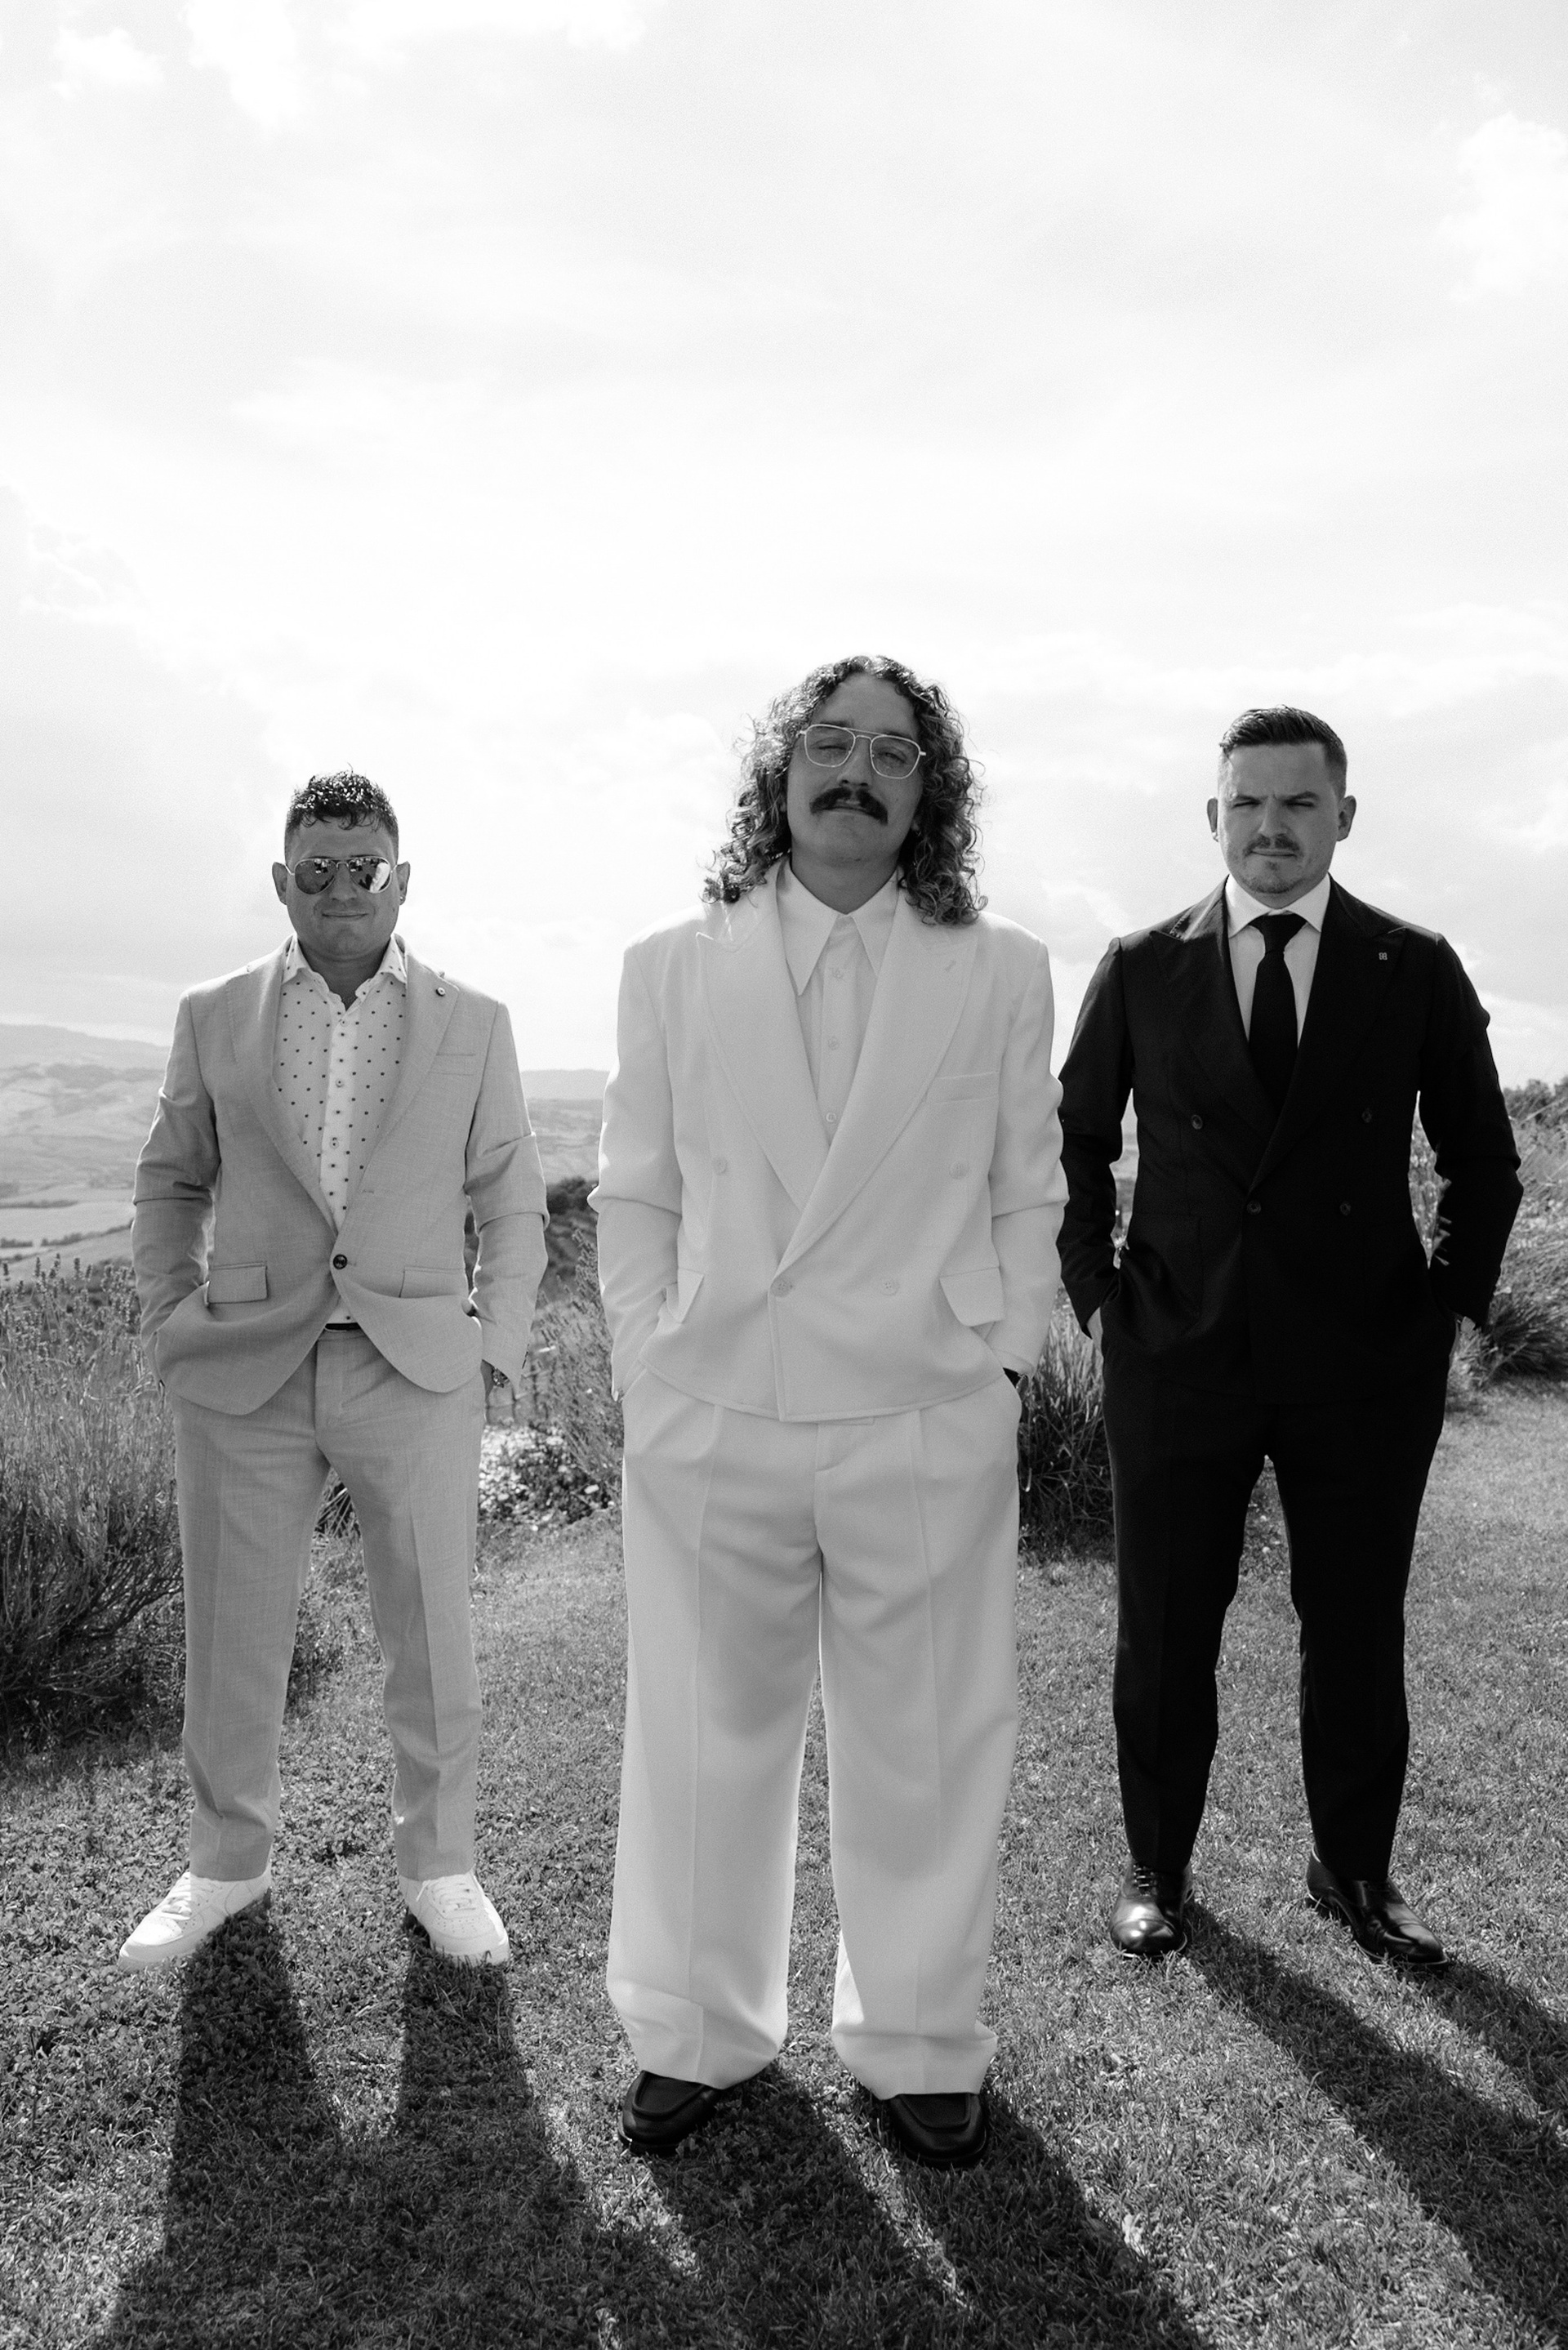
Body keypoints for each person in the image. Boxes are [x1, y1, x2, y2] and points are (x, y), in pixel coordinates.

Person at [594, 654, 1066, 2166]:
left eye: (894, 751)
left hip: (923, 1407)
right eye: (830, 742)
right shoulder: (671, 964)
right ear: (780, 770)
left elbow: (1030, 1189)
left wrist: (1000, 1366)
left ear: (932, 793)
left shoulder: (1001, 970)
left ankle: (921, 2038)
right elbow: (634, 1190)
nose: (856, 770)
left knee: (927, 1736)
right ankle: (693, 2028)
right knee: (697, 1733)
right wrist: (645, 1364)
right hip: (714, 1404)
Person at [1058, 707, 1521, 1969]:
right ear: (1215, 818)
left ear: (1343, 816)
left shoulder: (1412, 966)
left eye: (1299, 802)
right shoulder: (1139, 966)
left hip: (1363, 1362)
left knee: (1358, 1623)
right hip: (1177, 1354)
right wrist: (1099, 1297)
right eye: (1249, 803)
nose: (1272, 826)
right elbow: (1073, 1143)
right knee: (1165, 1622)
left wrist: (1445, 1310)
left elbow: (1484, 1159)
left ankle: (1354, 1869)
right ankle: (1157, 1866)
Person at [121, 772, 546, 1973]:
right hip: (244, 1371)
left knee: (433, 1636)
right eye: (317, 868)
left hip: (415, 1368)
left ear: (402, 881)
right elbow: (171, 1180)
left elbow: (512, 1198)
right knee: (231, 1633)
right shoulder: (213, 1013)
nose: (342, 887)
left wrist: (493, 1349)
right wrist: (169, 1318)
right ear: (282, 881)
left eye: (366, 868)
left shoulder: (477, 1022)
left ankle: (441, 1865)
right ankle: (225, 1863)